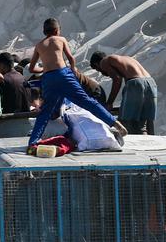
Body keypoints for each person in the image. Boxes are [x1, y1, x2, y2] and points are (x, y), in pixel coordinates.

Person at [27, 18, 125, 147]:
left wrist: (44, 69)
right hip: (63, 74)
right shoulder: (60, 39)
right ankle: (114, 123)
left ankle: (33, 142)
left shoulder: (39, 45)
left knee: (45, 112)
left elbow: (31, 69)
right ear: (57, 30)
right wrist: (72, 69)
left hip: (48, 78)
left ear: (44, 31)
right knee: (86, 101)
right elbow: (71, 58)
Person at [88, 51, 157, 135]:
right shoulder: (127, 59)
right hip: (151, 83)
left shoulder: (104, 61)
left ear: (96, 64)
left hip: (135, 83)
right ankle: (151, 140)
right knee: (146, 120)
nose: (102, 72)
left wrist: (109, 103)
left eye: (98, 69)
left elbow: (117, 79)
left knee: (129, 122)